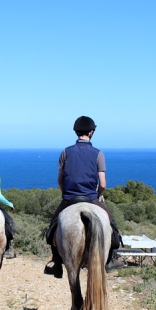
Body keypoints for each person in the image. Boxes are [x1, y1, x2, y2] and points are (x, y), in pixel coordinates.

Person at [43, 116, 124, 278]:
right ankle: (110, 260)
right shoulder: (98, 154)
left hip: (69, 198)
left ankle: (57, 263)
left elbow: (60, 180)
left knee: (51, 229)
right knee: (112, 226)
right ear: (91, 132)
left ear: (76, 131)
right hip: (90, 197)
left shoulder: (65, 152)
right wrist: (98, 196)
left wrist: (66, 195)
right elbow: (102, 184)